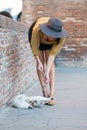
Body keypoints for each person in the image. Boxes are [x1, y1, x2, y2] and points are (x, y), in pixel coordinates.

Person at [28, 17, 68, 105]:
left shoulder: (60, 37)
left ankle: (52, 93)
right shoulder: (37, 30)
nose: (53, 37)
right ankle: (44, 90)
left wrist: (47, 72)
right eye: (51, 35)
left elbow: (52, 55)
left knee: (49, 61)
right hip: (38, 37)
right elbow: (35, 49)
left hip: (48, 43)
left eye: (55, 36)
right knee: (41, 62)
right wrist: (39, 62)